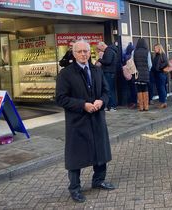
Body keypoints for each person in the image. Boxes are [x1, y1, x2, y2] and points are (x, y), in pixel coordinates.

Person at [56, 40, 115, 203]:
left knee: (100, 150)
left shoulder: (97, 70)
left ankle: (99, 180)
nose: (83, 54)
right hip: (77, 120)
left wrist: (102, 101)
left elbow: (106, 91)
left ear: (90, 53)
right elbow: (60, 98)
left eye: (86, 51)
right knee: (76, 155)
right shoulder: (65, 74)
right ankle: (74, 188)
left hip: (97, 118)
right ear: (74, 54)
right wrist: (83, 105)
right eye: (80, 51)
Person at [97, 42, 119, 112]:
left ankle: (112, 106)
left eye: (100, 49)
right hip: (110, 72)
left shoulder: (108, 51)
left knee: (109, 89)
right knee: (110, 89)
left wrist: (100, 59)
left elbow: (107, 61)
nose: (100, 50)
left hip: (109, 72)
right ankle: (111, 106)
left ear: (103, 46)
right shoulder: (111, 50)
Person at [133, 38, 152, 111]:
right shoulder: (147, 52)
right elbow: (150, 64)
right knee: (145, 89)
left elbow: (132, 63)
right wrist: (147, 71)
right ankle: (146, 106)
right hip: (145, 73)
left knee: (139, 89)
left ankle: (141, 107)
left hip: (137, 74)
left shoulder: (134, 52)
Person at [152, 44, 168, 108]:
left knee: (161, 88)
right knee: (160, 88)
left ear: (159, 48)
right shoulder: (157, 55)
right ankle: (162, 101)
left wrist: (159, 68)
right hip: (157, 73)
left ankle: (163, 102)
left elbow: (166, 62)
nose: (154, 49)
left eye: (155, 48)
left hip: (161, 73)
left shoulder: (162, 55)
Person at [123, 42, 137, 109]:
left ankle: (131, 102)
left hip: (128, 75)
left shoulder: (125, 55)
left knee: (130, 89)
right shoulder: (132, 56)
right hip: (134, 73)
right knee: (134, 89)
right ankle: (135, 102)